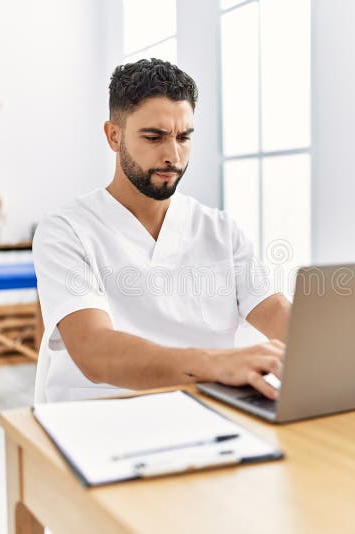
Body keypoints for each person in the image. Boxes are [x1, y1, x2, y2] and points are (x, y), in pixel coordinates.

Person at [33, 59, 291, 403]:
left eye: (184, 137)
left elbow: (275, 312)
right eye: (154, 137)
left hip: (208, 413)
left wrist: (349, 350)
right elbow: (95, 352)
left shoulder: (220, 230)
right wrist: (220, 364)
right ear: (113, 135)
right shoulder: (65, 231)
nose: (173, 155)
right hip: (98, 420)